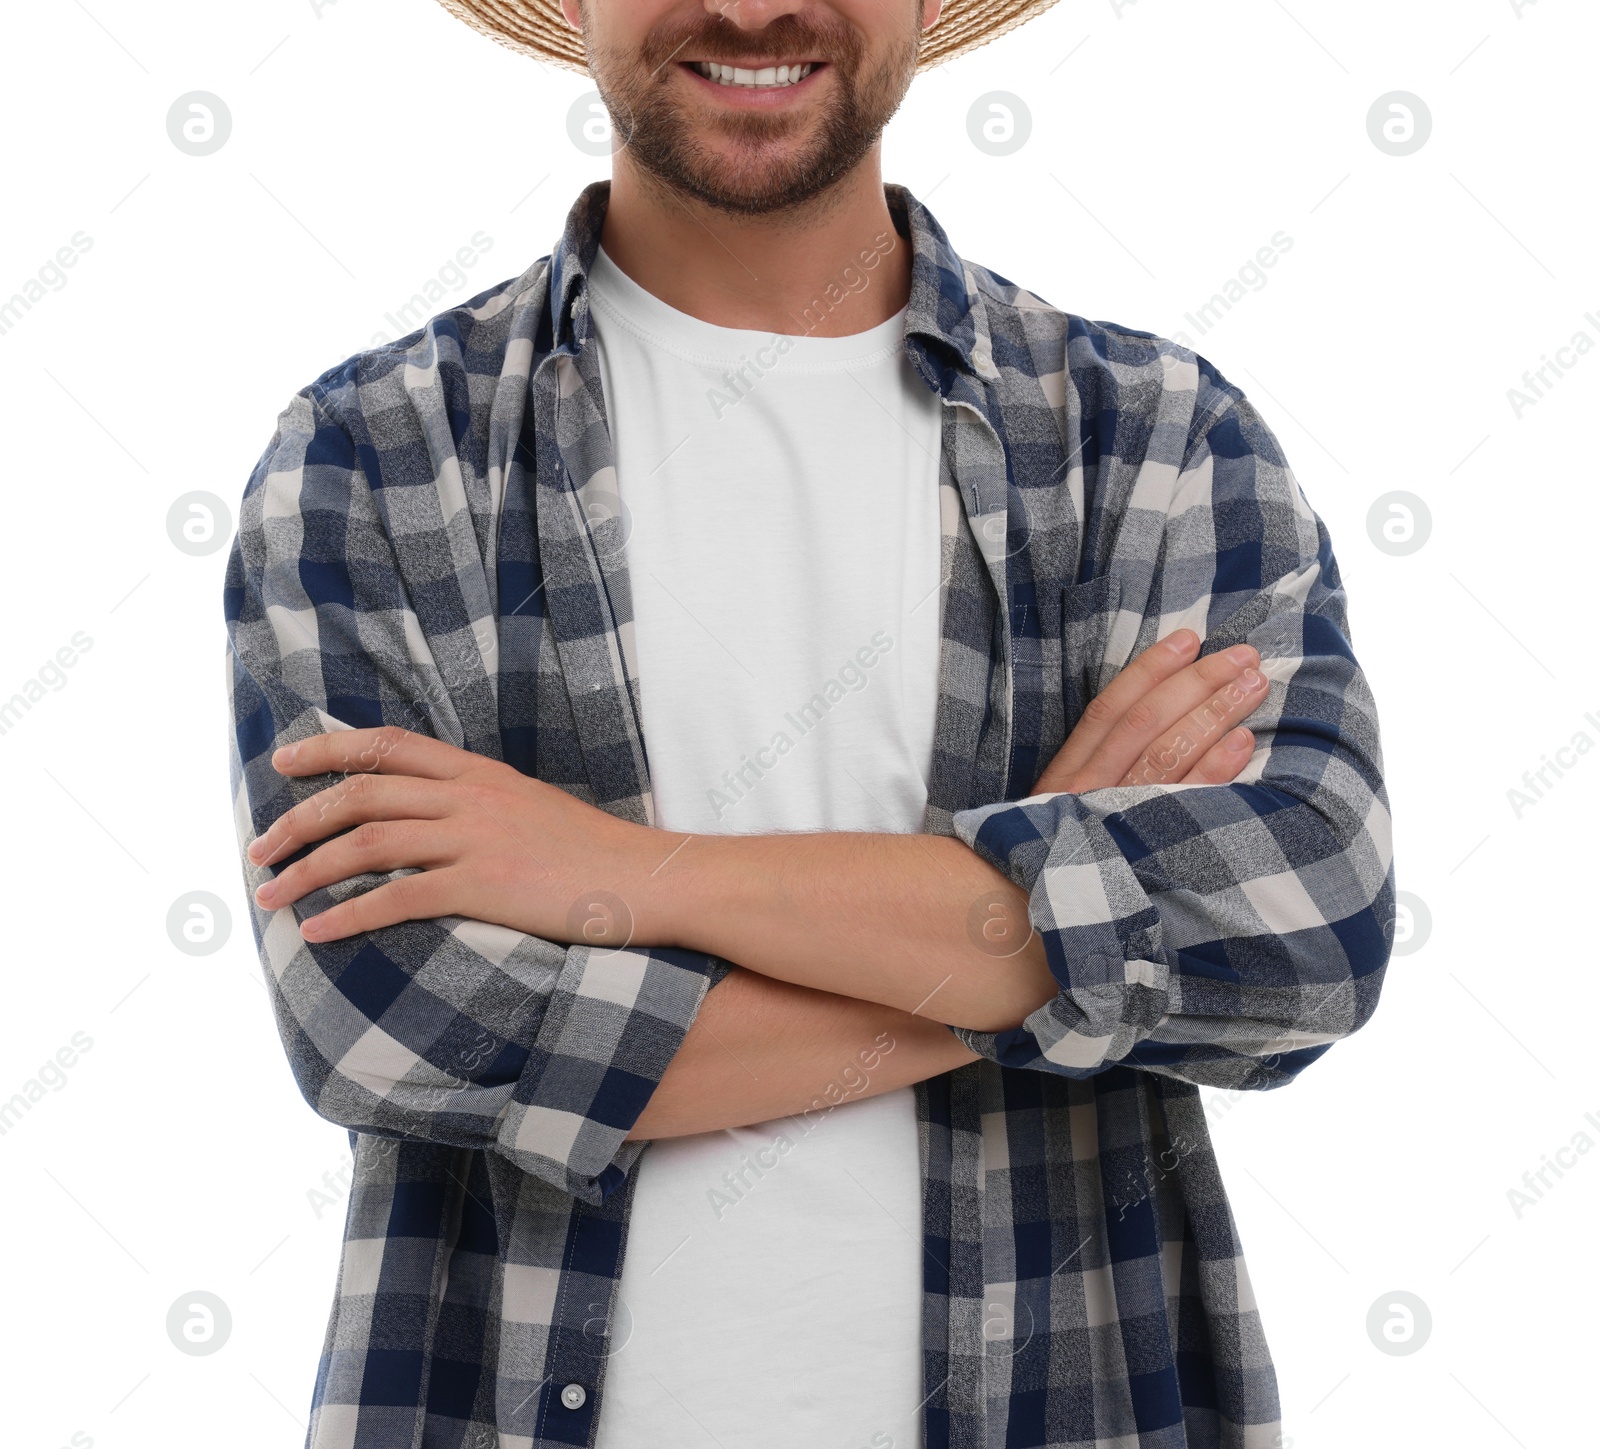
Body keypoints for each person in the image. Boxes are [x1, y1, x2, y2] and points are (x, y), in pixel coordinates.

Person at [224, 1, 1394, 1445]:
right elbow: (390, 1018)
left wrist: (620, 872)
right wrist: (1038, 922)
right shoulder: (370, 457)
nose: (756, 2)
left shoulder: (1152, 439)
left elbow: (1307, 926)